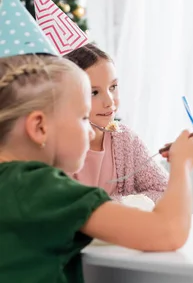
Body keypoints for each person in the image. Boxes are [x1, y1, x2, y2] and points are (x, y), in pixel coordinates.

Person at [0, 0, 193, 283]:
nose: (90, 129)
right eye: (82, 118)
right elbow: (168, 232)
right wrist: (182, 164)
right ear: (39, 127)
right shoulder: (42, 189)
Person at [64, 44, 167, 202]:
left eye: (113, 87)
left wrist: (119, 205)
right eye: (94, 92)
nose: (109, 101)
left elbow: (165, 191)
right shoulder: (56, 148)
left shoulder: (125, 139)